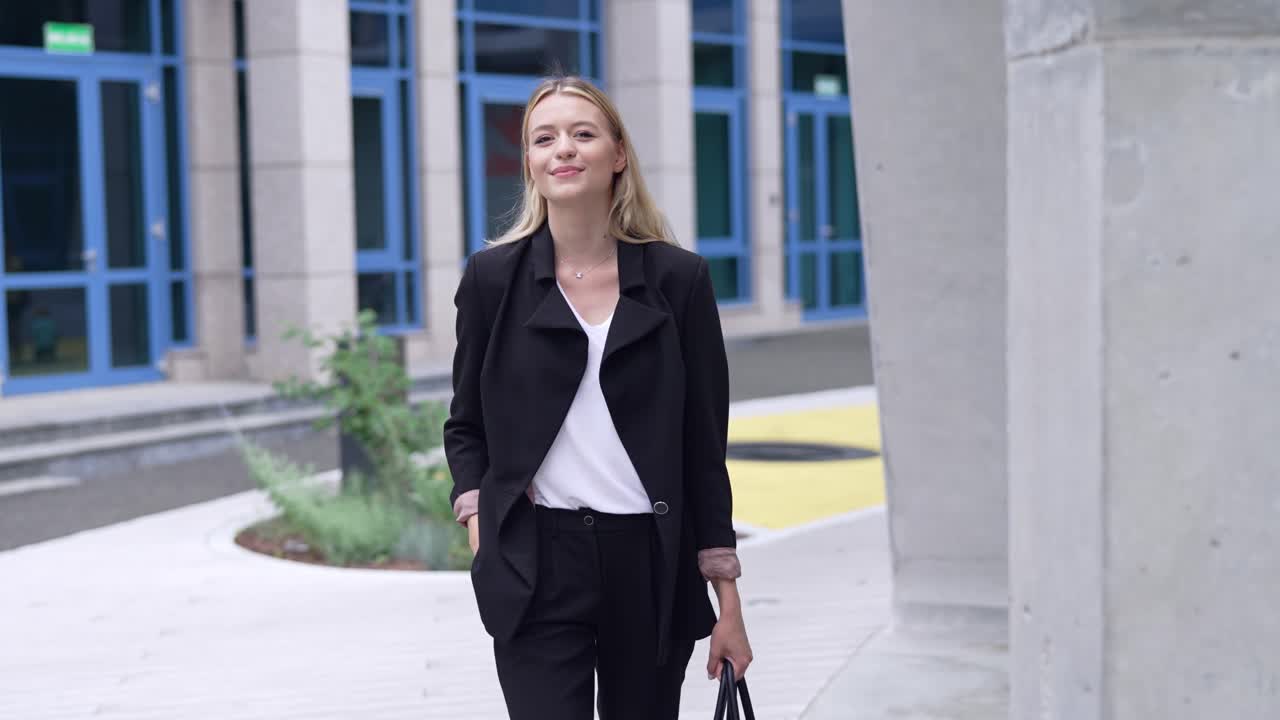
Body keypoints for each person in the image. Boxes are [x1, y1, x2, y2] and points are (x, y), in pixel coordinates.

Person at [442, 75, 753, 720]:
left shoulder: (678, 280)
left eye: (583, 134)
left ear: (618, 156)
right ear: (530, 162)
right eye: (544, 138)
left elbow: (703, 448)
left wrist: (729, 602)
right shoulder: (492, 280)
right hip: (536, 558)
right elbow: (466, 425)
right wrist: (480, 524)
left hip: (647, 563)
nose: (564, 149)